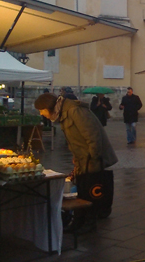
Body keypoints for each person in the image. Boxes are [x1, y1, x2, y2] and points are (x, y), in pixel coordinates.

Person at [34, 93, 118, 233]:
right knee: (82, 190)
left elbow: (92, 134)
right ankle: (78, 221)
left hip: (90, 159)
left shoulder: (74, 110)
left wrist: (93, 156)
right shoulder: (63, 112)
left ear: (48, 106)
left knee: (90, 190)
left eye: (41, 110)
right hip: (81, 159)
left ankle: (89, 222)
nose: (42, 114)